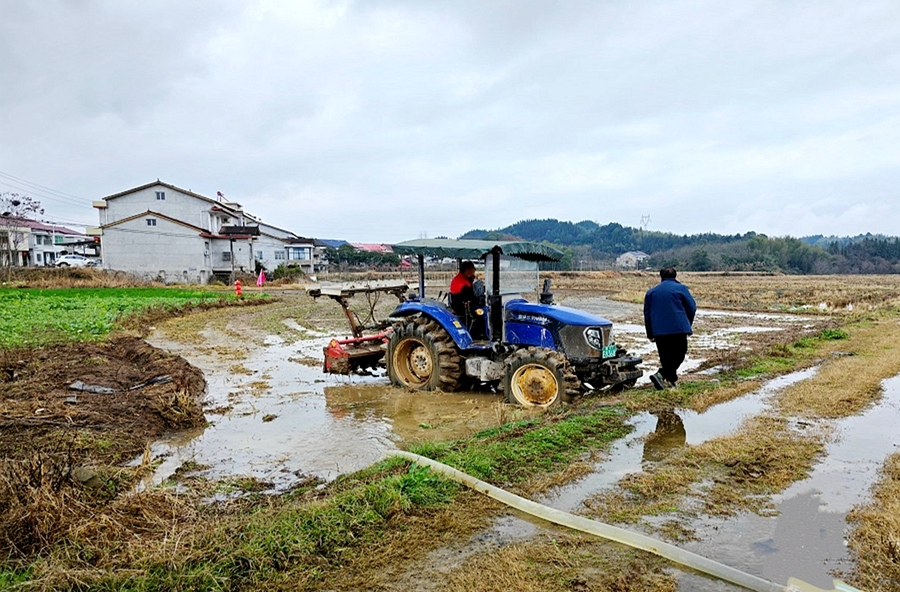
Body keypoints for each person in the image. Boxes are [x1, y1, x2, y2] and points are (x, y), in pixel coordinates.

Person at [643, 266, 696, 390]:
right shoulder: (681, 288)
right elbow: (692, 307)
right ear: (675, 276)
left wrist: (650, 332)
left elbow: (647, 314)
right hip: (678, 328)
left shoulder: (651, 292)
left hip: (659, 330)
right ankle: (661, 374)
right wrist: (687, 323)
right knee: (679, 354)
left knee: (665, 357)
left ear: (661, 276)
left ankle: (671, 381)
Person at [449, 260, 485, 337]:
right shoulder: (461, 281)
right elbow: (469, 296)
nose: (474, 271)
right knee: (481, 313)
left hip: (463, 302)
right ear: (468, 270)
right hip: (461, 305)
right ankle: (478, 334)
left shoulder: (464, 279)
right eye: (473, 269)